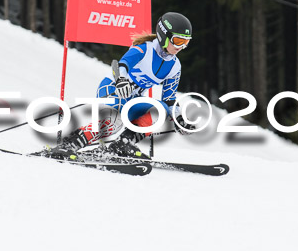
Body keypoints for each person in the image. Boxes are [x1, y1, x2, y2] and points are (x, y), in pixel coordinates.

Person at [50, 12, 197, 160]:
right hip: (113, 89)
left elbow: (169, 99)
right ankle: (69, 145)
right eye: (178, 41)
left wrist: (179, 119)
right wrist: (121, 80)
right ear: (164, 36)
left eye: (186, 42)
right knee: (114, 122)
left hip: (134, 98)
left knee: (161, 110)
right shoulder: (144, 49)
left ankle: (123, 144)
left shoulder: (175, 66)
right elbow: (121, 65)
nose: (181, 46)